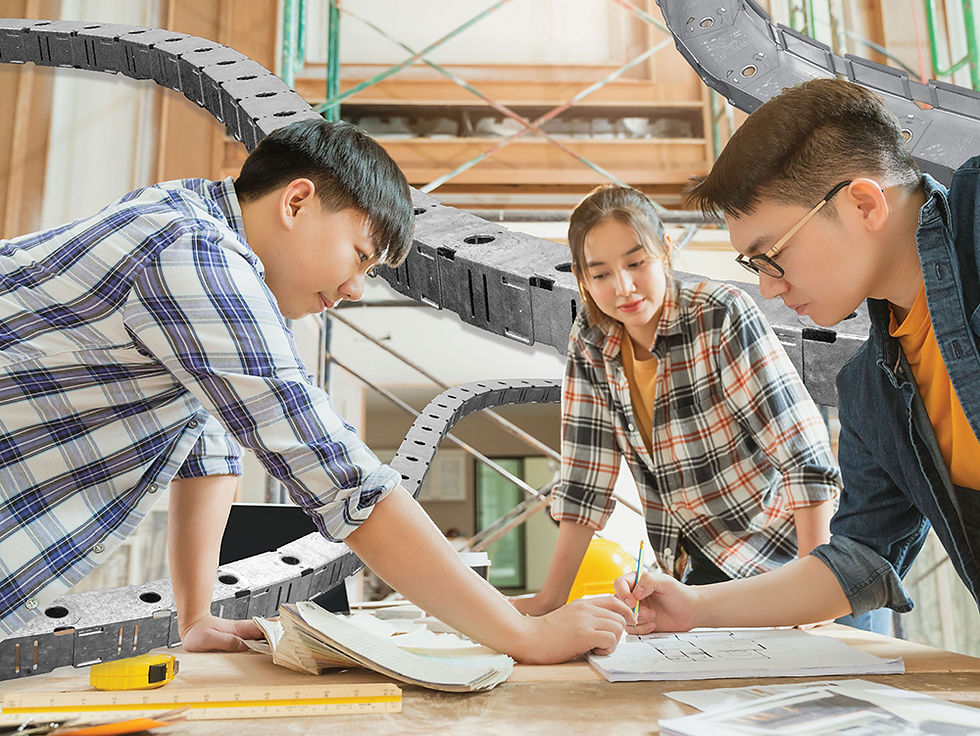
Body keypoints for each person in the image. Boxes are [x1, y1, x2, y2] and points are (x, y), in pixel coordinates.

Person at [0, 118, 632, 663]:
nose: (357, 287)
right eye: (360, 256)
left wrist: (194, 618)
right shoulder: (192, 253)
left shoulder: (193, 229)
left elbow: (210, 447)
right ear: (297, 202)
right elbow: (337, 475)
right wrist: (522, 635)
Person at [615, 77, 980, 633]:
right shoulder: (870, 393)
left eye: (772, 255)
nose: (768, 289)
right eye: (754, 267)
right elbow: (859, 561)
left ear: (863, 203)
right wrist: (696, 607)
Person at [513, 185, 842, 619]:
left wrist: (811, 593)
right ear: (582, 277)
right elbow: (584, 483)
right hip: (693, 575)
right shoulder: (591, 340)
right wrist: (549, 601)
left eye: (636, 263)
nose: (624, 287)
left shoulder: (720, 314)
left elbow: (805, 457)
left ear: (665, 252)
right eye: (601, 274)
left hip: (787, 558)